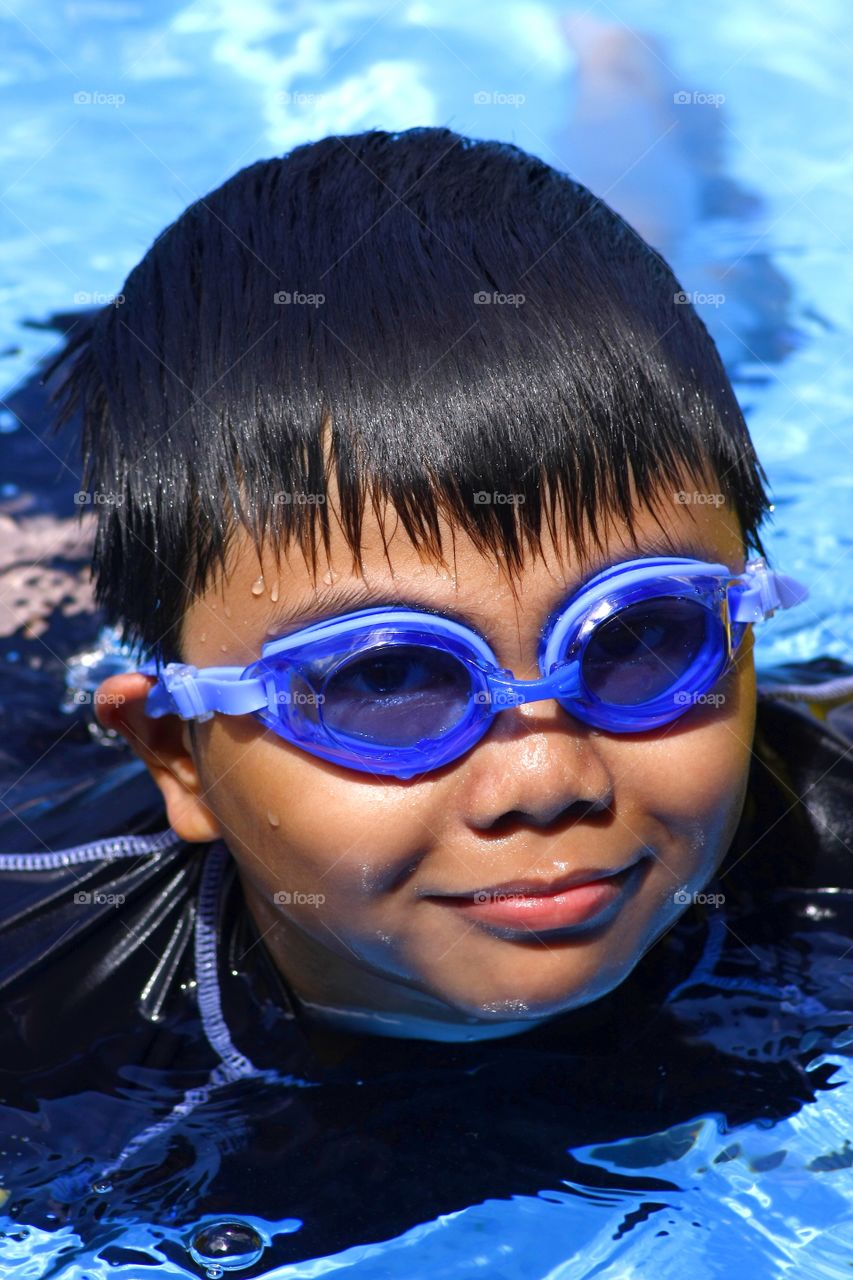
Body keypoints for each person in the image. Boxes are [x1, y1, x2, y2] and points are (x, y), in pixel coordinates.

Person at [2, 128, 853, 1255]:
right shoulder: (42, 1029)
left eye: (641, 636)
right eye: (386, 677)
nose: (546, 777)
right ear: (177, 756)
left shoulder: (827, 839)